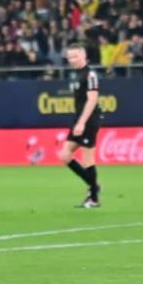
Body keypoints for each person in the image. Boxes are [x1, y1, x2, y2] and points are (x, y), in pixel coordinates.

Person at [57, 44, 102, 208]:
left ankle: (94, 198)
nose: (72, 60)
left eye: (75, 56)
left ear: (84, 56)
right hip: (79, 120)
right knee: (64, 155)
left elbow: (92, 99)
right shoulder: (77, 74)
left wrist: (82, 122)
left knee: (87, 158)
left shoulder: (90, 74)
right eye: (70, 57)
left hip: (88, 121)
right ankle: (94, 186)